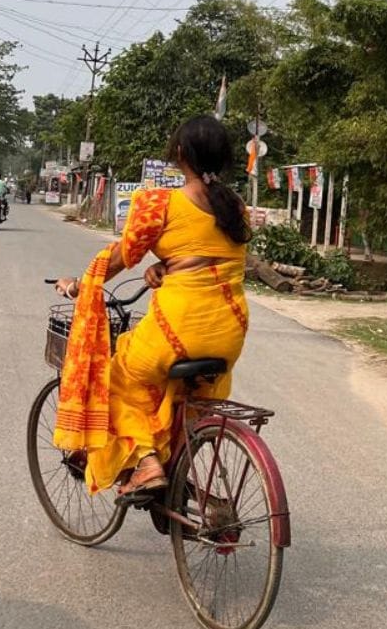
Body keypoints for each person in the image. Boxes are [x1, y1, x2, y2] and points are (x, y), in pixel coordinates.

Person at [52, 115, 252, 496]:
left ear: (179, 154)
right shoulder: (235, 209)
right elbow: (206, 255)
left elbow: (118, 259)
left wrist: (80, 285)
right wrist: (165, 266)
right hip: (230, 331)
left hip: (180, 327)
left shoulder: (159, 203)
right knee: (188, 399)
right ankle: (178, 470)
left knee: (116, 375)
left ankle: (145, 462)